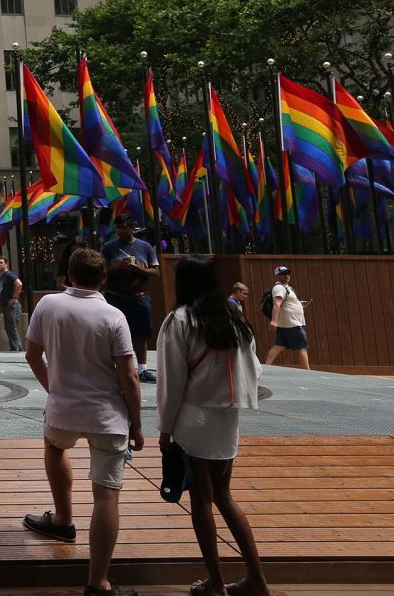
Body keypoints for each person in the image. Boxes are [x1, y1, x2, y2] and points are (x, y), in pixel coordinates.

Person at [22, 248, 145, 596]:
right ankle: (98, 582)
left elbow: (32, 354)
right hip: (108, 417)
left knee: (55, 446)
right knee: (106, 496)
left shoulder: (48, 305)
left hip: (63, 411)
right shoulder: (113, 316)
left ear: (69, 276)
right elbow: (130, 376)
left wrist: (54, 388)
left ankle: (62, 519)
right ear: (103, 279)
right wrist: (136, 424)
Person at [157, 256, 271, 596]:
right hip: (228, 416)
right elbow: (256, 369)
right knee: (224, 495)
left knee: (201, 500)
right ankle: (257, 580)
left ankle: (217, 584)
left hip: (193, 416)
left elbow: (171, 380)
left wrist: (164, 428)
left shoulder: (178, 320)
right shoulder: (235, 318)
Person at [101, 213, 160, 383]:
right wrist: (118, 267)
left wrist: (139, 269)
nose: (120, 231)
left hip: (139, 295)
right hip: (116, 296)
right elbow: (101, 271)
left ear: (132, 228)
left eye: (124, 227)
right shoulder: (109, 248)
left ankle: (142, 369)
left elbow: (155, 271)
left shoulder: (145, 247)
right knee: (114, 332)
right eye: (118, 227)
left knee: (141, 333)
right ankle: (115, 366)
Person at [263, 266, 309, 370]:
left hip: (286, 323)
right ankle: (308, 372)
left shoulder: (287, 288)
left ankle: (265, 367)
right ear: (277, 276)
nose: (287, 276)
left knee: (279, 346)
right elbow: (276, 304)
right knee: (302, 347)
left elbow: (286, 302)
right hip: (292, 323)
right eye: (283, 274)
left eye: (288, 273)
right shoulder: (279, 288)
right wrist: (274, 320)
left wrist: (298, 303)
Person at [0, 256, 25, 351]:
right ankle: (15, 349)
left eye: (1, 262)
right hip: (7, 306)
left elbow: (19, 284)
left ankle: (17, 351)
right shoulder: (1, 277)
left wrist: (14, 297)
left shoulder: (9, 275)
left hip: (12, 305)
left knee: (12, 328)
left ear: (6, 264)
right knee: (9, 328)